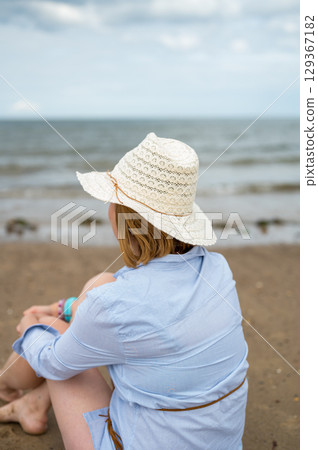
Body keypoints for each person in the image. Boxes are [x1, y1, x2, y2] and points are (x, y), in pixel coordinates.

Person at [0, 132, 249, 449]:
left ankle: (6, 387)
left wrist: (32, 326)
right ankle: (31, 403)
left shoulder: (116, 304)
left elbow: (52, 364)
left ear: (122, 218)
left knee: (54, 336)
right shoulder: (218, 269)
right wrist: (66, 307)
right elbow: (126, 310)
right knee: (97, 293)